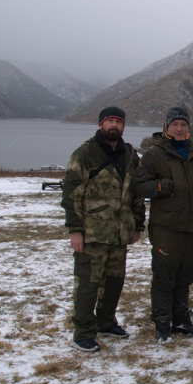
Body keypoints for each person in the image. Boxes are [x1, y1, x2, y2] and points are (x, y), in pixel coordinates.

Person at [60, 106, 145, 352]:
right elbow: (71, 195)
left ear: (123, 126)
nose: (114, 125)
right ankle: (83, 332)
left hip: (120, 234)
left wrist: (137, 225)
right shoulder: (85, 153)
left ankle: (106, 322)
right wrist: (75, 230)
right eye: (110, 121)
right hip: (92, 233)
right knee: (88, 283)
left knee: (114, 282)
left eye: (118, 121)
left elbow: (136, 194)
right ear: (100, 125)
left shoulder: (130, 155)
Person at [133, 107, 193, 344]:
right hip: (166, 227)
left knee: (185, 275)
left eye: (183, 124)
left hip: (191, 226)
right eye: (175, 124)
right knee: (164, 276)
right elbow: (139, 185)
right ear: (167, 127)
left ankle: (181, 319)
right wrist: (164, 187)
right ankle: (162, 323)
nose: (179, 128)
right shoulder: (154, 154)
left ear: (188, 128)